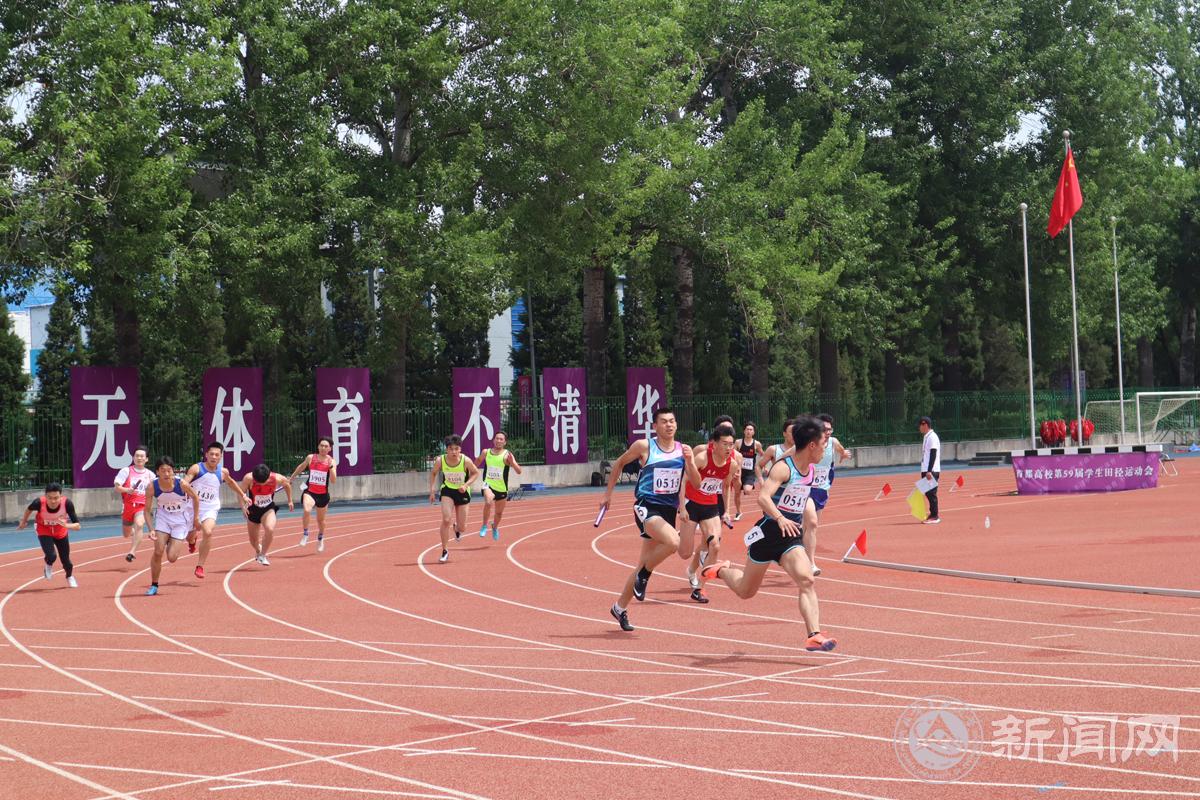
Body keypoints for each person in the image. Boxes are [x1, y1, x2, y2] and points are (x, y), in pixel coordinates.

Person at [700, 416, 838, 652]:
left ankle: (813, 635)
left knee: (806, 579)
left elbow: (799, 495)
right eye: (823, 445)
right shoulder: (784, 468)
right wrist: (780, 518)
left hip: (791, 536)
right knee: (745, 591)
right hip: (768, 534)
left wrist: (803, 517)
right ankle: (721, 570)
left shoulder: (811, 470)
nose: (825, 450)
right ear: (811, 445)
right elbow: (763, 498)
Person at [598, 408, 699, 632]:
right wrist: (607, 495)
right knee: (673, 542)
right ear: (655, 426)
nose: (669, 425)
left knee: (643, 562)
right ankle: (644, 575)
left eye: (672, 421)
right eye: (664, 422)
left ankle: (619, 607)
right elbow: (619, 463)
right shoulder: (644, 446)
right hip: (646, 506)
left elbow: (696, 483)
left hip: (668, 511)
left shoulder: (683, 450)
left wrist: (691, 462)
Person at [678, 424, 736, 603]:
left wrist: (726, 511)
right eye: (725, 444)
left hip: (710, 507)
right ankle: (689, 563)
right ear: (714, 444)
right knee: (685, 553)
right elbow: (683, 480)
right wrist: (682, 508)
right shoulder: (703, 458)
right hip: (691, 504)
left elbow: (726, 487)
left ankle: (700, 588)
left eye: (731, 444)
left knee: (715, 546)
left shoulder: (732, 464)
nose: (728, 448)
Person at [183, 442, 250, 579]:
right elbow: (185, 482)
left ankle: (200, 566)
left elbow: (231, 483)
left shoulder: (223, 472)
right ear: (206, 455)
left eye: (217, 455)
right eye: (211, 454)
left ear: (221, 457)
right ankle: (192, 540)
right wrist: (184, 484)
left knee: (208, 532)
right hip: (192, 507)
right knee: (189, 536)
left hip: (210, 508)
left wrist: (243, 495)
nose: (214, 457)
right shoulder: (197, 468)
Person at [145, 456, 202, 596]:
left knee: (171, 558)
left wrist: (195, 518)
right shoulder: (152, 486)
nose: (166, 474)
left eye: (169, 470)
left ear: (173, 471)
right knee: (158, 551)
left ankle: (179, 538)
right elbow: (146, 510)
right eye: (162, 470)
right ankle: (154, 585)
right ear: (157, 472)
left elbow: (195, 498)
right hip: (163, 518)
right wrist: (151, 529)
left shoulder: (181, 484)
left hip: (180, 520)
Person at [807, 413, 853, 576]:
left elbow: (841, 450)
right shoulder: (810, 442)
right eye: (824, 429)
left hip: (822, 490)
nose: (827, 432)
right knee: (811, 524)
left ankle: (793, 550)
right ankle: (810, 563)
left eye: (829, 429)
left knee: (811, 526)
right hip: (805, 489)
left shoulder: (833, 442)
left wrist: (844, 455)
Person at [16, 482, 81, 588]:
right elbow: (29, 509)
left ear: (61, 496)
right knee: (51, 556)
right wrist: (24, 521)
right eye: (50, 498)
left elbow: (78, 526)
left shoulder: (67, 504)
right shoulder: (38, 503)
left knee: (67, 561)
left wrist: (66, 525)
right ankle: (48, 564)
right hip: (44, 529)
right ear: (45, 496)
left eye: (56, 498)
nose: (53, 501)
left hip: (60, 531)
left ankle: (69, 576)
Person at [428, 434, 481, 563]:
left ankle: (457, 528)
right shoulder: (440, 460)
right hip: (448, 490)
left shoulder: (466, 460)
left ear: (460, 449)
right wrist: (432, 491)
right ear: (446, 449)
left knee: (463, 528)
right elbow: (433, 473)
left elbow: (476, 473)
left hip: (462, 492)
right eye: (451, 449)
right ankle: (445, 550)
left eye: (456, 449)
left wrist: (466, 485)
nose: (453, 452)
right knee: (446, 519)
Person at [289, 437, 338, 552]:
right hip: (310, 491)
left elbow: (333, 480)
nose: (323, 448)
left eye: (326, 446)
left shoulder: (331, 461)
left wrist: (331, 468)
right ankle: (305, 534)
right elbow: (301, 467)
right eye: (321, 445)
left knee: (321, 521)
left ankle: (320, 538)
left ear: (330, 449)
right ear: (318, 446)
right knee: (307, 510)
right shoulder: (311, 457)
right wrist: (292, 478)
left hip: (323, 495)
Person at [240, 464, 294, 565]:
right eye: (258, 482)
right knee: (253, 541)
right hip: (253, 510)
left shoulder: (277, 478)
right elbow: (241, 493)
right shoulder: (248, 478)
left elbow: (287, 485)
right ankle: (258, 550)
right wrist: (243, 507)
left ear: (268, 476)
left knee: (270, 529)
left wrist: (290, 500)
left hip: (268, 508)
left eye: (263, 482)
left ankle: (262, 555)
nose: (260, 485)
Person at [474, 431, 523, 541]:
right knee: (488, 501)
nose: (498, 441)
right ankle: (484, 525)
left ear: (505, 442)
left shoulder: (507, 455)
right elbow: (477, 462)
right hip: (488, 484)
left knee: (499, 513)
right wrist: (469, 472)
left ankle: (495, 527)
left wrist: (512, 462)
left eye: (501, 439)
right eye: (497, 438)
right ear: (493, 440)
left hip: (501, 488)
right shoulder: (486, 452)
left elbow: (519, 471)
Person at [114, 445, 154, 562]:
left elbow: (155, 490)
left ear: (146, 459)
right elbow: (117, 487)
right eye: (137, 456)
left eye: (142, 456)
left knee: (140, 524)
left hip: (142, 506)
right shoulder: (126, 471)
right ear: (133, 457)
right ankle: (134, 532)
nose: (139, 458)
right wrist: (127, 490)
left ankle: (132, 552)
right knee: (126, 534)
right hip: (128, 506)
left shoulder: (151, 475)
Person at [733, 422, 764, 521]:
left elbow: (763, 455)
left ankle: (747, 485)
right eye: (747, 429)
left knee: (747, 491)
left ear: (753, 432)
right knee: (737, 493)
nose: (749, 431)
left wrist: (764, 466)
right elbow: (732, 454)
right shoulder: (738, 442)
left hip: (749, 473)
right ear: (744, 431)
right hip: (738, 472)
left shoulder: (756, 444)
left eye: (751, 430)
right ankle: (738, 512)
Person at [919, 416, 941, 524]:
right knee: (926, 492)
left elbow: (933, 454)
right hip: (925, 469)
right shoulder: (926, 436)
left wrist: (929, 470)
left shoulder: (932, 437)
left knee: (931, 493)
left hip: (931, 470)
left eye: (921, 425)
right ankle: (932, 514)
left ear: (926, 425)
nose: (919, 427)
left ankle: (935, 516)